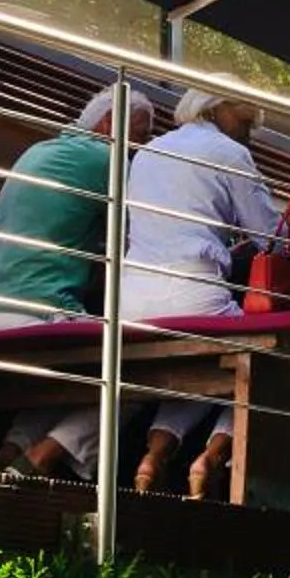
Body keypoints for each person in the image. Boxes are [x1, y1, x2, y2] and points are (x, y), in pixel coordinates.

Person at [0, 86, 156, 481]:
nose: (139, 148)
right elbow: (140, 240)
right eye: (140, 135)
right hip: (33, 312)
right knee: (142, 372)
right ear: (111, 124)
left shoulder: (36, 151)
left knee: (79, 366)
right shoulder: (109, 159)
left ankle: (8, 451)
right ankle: (43, 457)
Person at [117, 88, 278, 498]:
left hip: (131, 302)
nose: (249, 135)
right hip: (193, 294)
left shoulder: (148, 152)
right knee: (268, 361)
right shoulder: (229, 153)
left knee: (201, 372)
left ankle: (154, 456)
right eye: (246, 123)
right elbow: (272, 239)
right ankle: (213, 456)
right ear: (216, 106)